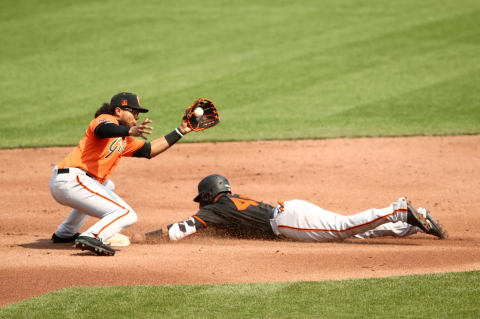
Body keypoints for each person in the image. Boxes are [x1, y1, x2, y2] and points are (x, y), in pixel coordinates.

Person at [49, 92, 204, 256]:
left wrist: (181, 130)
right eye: (134, 112)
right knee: (127, 214)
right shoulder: (104, 120)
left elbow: (149, 150)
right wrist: (129, 130)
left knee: (108, 185)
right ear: (118, 111)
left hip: (72, 182)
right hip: (72, 180)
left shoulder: (123, 139)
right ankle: (92, 236)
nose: (137, 117)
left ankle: (65, 233)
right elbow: (103, 130)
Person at [157, 174, 447, 242]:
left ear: (208, 196)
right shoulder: (230, 204)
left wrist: (148, 237)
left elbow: (179, 230)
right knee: (351, 232)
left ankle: (397, 210)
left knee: (343, 228)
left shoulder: (215, 210)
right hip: (293, 210)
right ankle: (409, 222)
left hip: (286, 222)